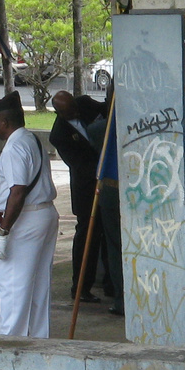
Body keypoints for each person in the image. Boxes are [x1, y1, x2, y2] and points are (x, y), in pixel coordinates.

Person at [0, 92, 59, 338]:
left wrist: (4, 231)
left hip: (25, 219)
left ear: (4, 122)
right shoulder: (30, 139)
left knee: (13, 285)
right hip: (43, 215)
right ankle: (39, 339)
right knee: (38, 284)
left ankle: (12, 342)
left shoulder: (15, 147)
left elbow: (17, 192)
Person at [49, 90, 111, 304]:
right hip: (86, 188)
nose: (76, 113)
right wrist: (100, 168)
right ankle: (81, 287)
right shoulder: (58, 134)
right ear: (59, 113)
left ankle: (111, 285)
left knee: (109, 232)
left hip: (109, 182)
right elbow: (78, 164)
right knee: (88, 237)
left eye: (75, 107)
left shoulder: (85, 104)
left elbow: (107, 112)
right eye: (69, 112)